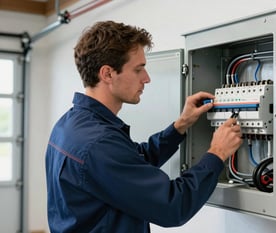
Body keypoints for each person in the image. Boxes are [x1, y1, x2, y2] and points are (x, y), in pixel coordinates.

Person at [45, 20, 243, 233]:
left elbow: (129, 164)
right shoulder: (98, 143)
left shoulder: (70, 124)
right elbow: (173, 206)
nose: (146, 79)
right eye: (138, 69)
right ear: (108, 74)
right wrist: (217, 153)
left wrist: (179, 126)